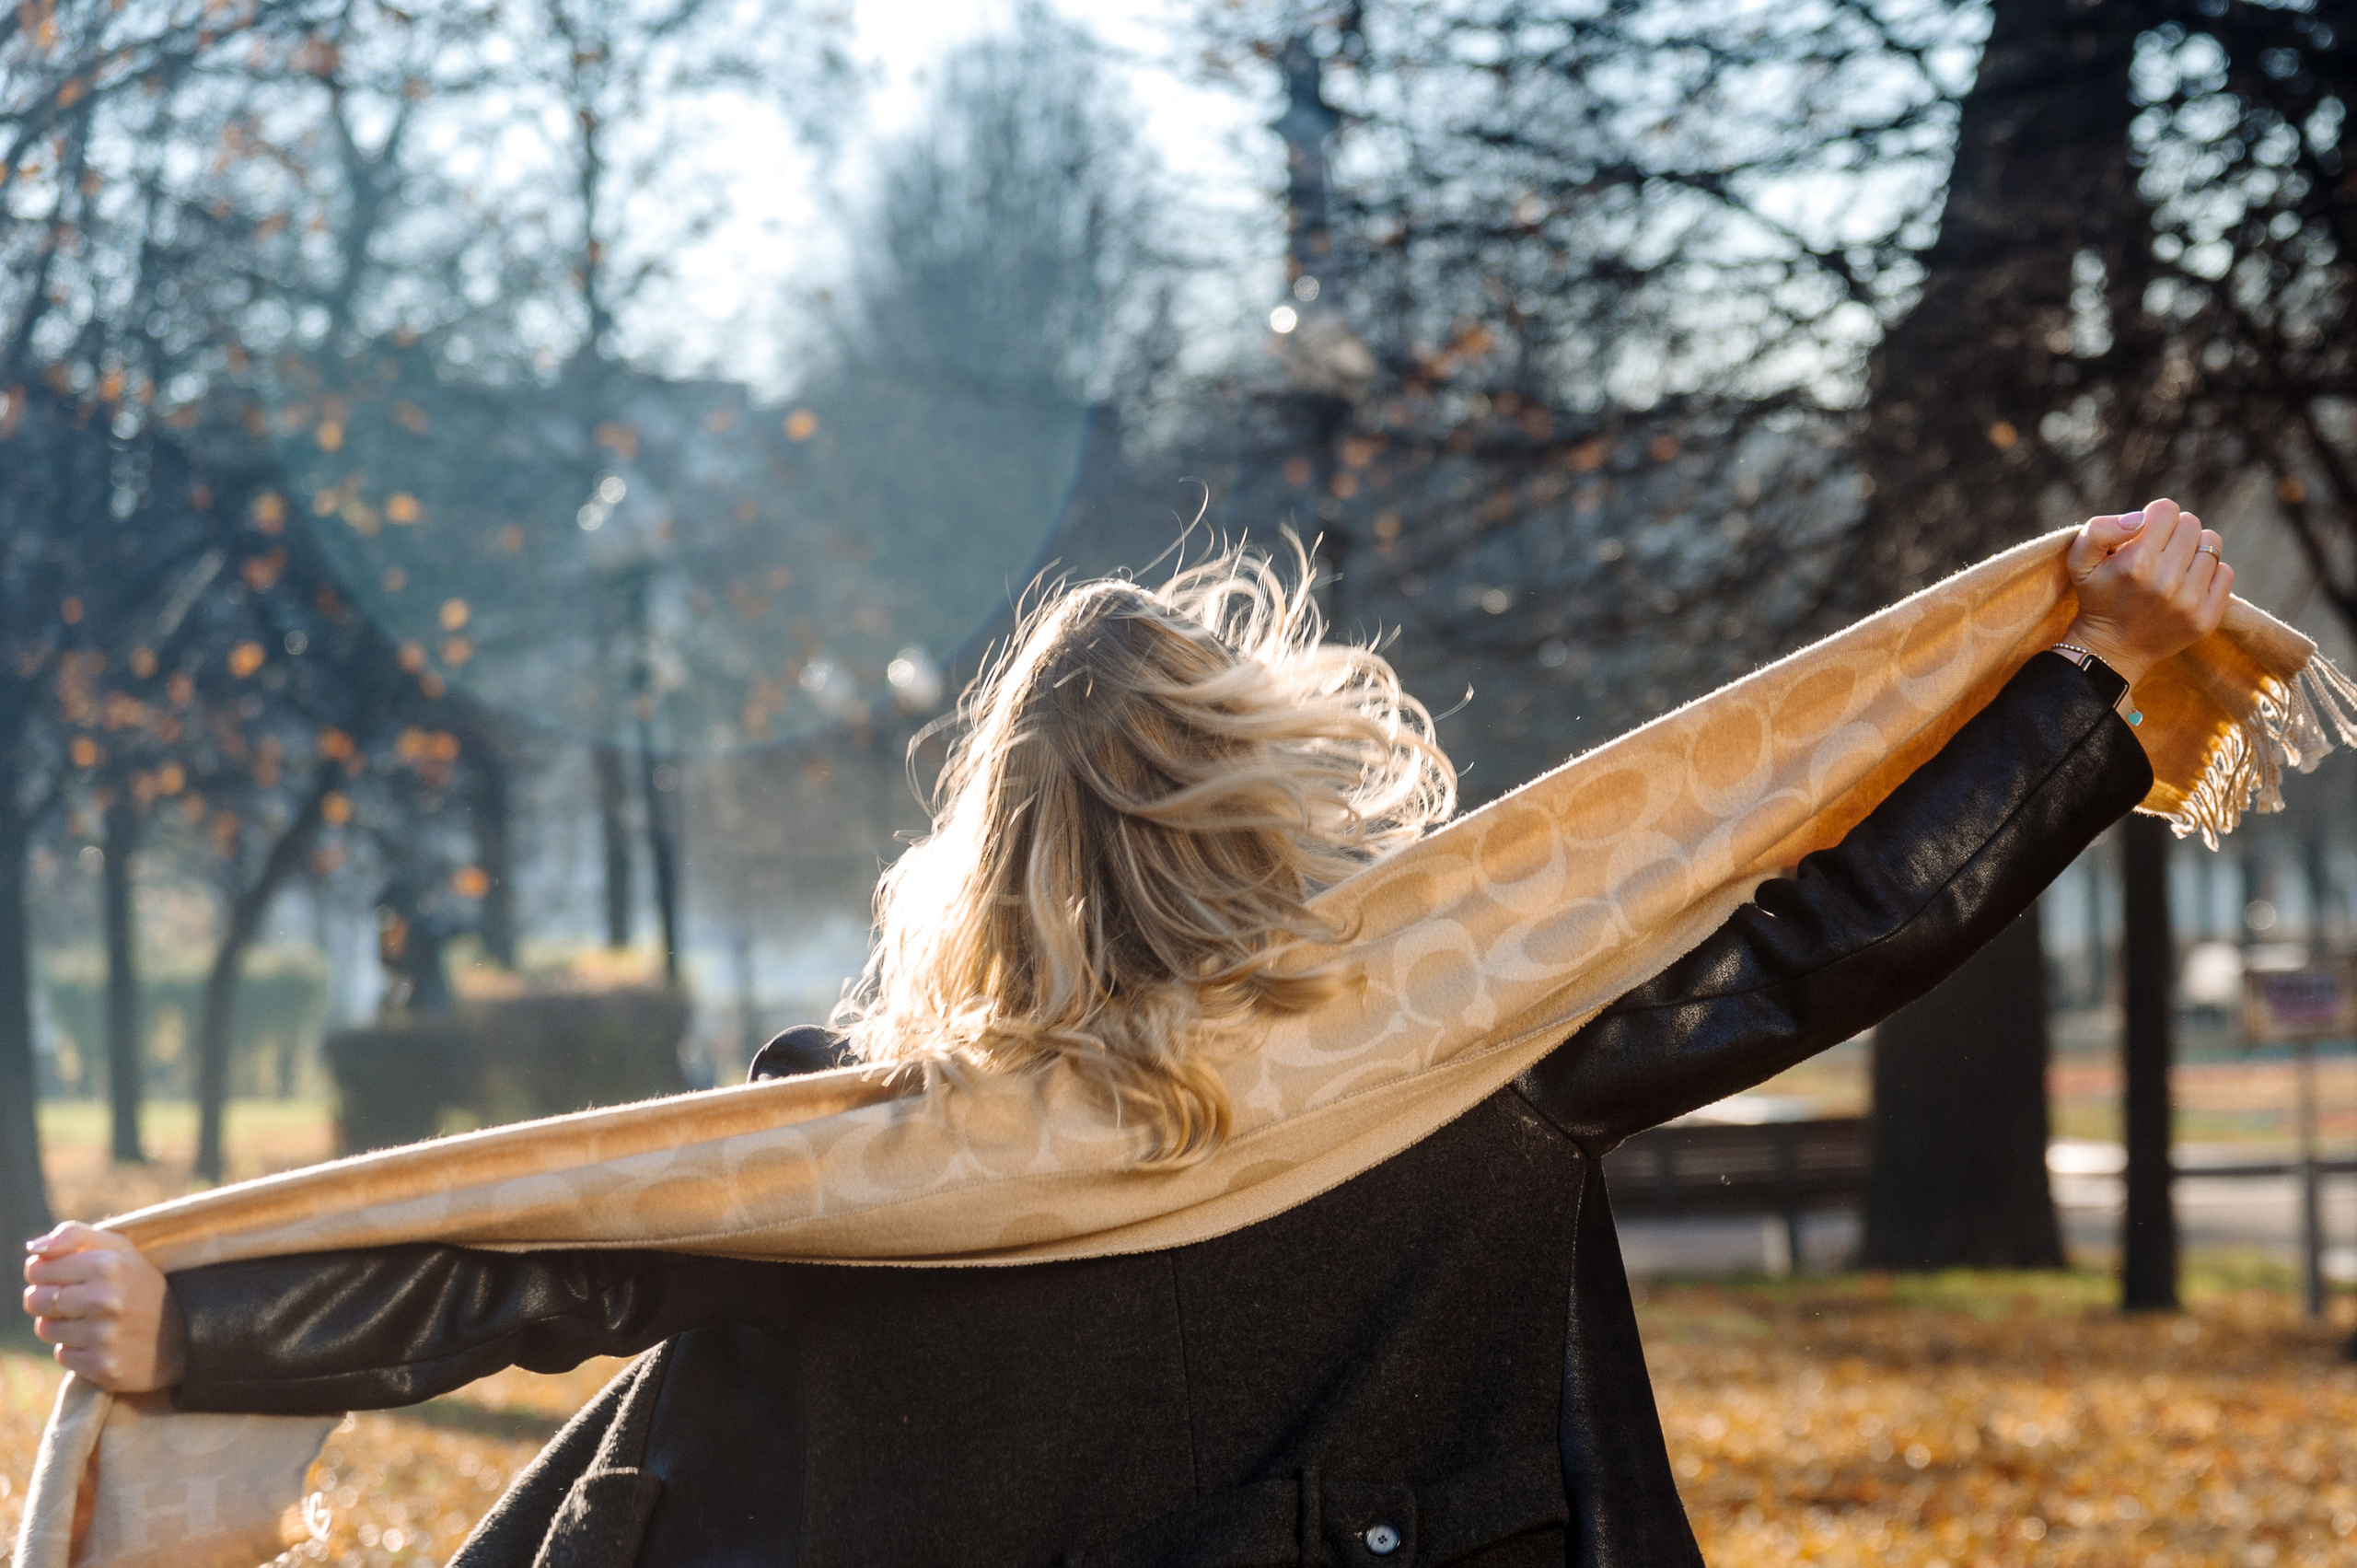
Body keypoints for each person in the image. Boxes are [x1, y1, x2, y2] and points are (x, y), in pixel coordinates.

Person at [26, 503, 2233, 1567]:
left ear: (987, 856)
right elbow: (1827, 930)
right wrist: (2091, 695)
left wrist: (207, 1315)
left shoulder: (867, 1146)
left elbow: (538, 1255)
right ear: (1273, 792)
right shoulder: (1472, 1057)